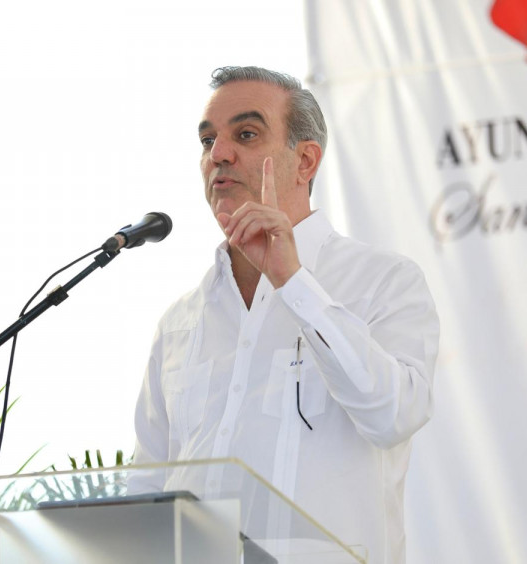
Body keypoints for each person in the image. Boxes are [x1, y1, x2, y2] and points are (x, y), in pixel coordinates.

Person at [132, 66, 439, 564]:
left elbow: (393, 415)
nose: (219, 154)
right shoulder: (180, 322)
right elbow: (146, 485)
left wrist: (293, 282)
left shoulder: (384, 281)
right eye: (207, 140)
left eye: (245, 135)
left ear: (305, 161)